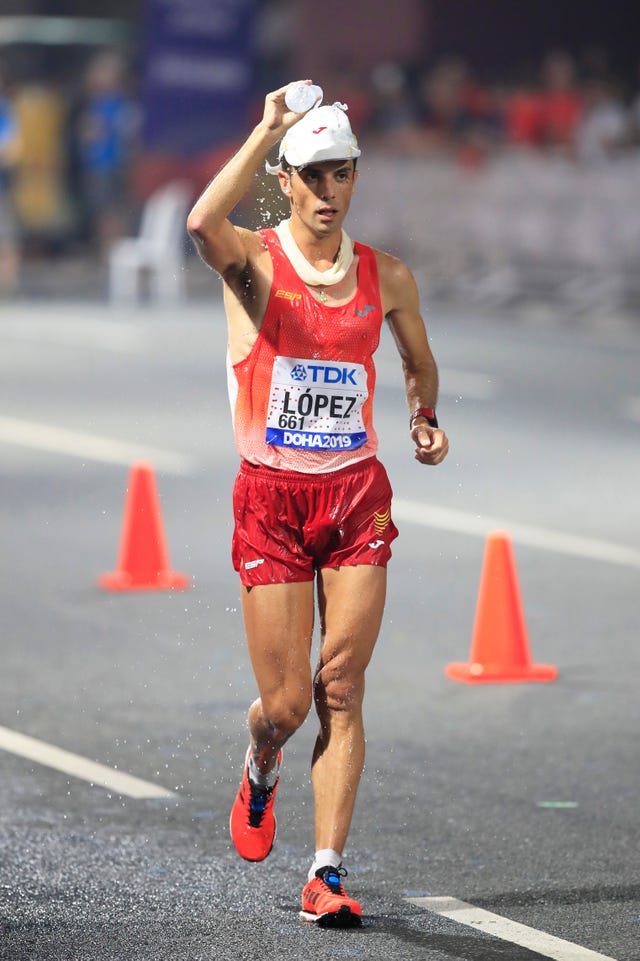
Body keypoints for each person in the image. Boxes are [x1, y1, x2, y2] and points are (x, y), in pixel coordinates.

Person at [187, 80, 449, 927]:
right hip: (271, 496)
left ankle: (326, 870)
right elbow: (199, 224)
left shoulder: (388, 275)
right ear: (287, 181)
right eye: (315, 176)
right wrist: (266, 130)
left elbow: (417, 361)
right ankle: (262, 759)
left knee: (341, 683)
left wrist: (423, 415)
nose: (330, 192)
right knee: (290, 704)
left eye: (343, 175)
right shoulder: (255, 262)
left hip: (355, 495)